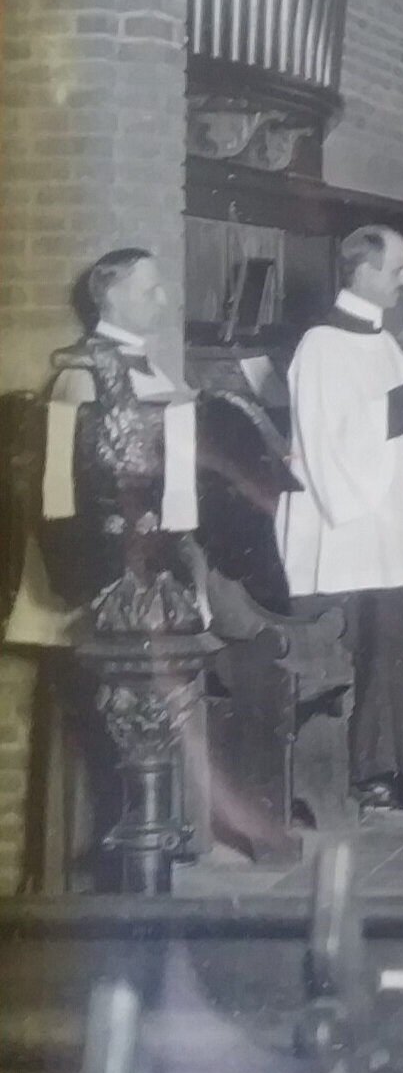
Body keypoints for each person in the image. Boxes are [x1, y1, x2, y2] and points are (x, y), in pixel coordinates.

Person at [11, 248, 199, 890]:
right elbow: (56, 494)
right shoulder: (79, 373)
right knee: (100, 740)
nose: (163, 300)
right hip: (94, 591)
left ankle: (145, 870)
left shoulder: (155, 369)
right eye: (150, 288)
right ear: (110, 296)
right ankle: (95, 883)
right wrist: (94, 589)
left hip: (150, 584)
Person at [277, 226, 403, 813]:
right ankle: (346, 773)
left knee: (385, 648)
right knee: (352, 648)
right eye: (396, 270)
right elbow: (334, 439)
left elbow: (395, 432)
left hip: (383, 524)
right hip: (344, 528)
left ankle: (376, 768)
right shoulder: (320, 346)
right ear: (361, 272)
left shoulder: (383, 345)